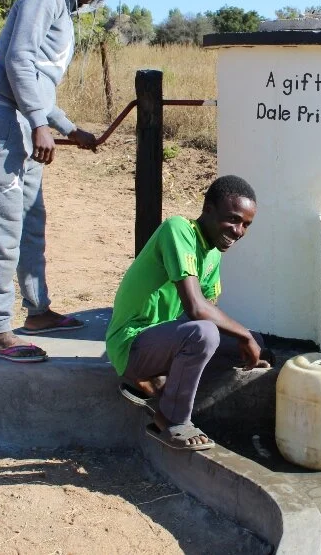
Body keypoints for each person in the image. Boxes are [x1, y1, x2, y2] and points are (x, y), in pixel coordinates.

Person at [0, 0, 115, 363]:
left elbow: (38, 79)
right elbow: (18, 61)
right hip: (0, 122)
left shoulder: (64, 12)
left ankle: (38, 312)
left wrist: (69, 127)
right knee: (3, 230)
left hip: (22, 124)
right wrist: (38, 122)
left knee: (31, 223)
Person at [107, 175, 270, 451]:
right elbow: (196, 307)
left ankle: (158, 383)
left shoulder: (214, 252)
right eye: (232, 219)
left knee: (252, 344)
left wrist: (246, 341)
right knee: (205, 333)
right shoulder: (178, 229)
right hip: (131, 343)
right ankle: (170, 420)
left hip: (165, 338)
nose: (239, 231)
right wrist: (243, 336)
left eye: (246, 225)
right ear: (208, 209)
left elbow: (210, 307)